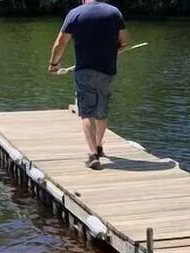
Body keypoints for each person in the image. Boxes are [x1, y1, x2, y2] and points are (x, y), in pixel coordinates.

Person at [49, 0, 130, 170]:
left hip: (85, 70)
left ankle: (93, 154)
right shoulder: (114, 12)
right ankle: (99, 146)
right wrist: (115, 50)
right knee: (102, 110)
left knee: (87, 112)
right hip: (108, 70)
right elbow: (124, 41)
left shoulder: (75, 14)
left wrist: (54, 64)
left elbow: (60, 43)